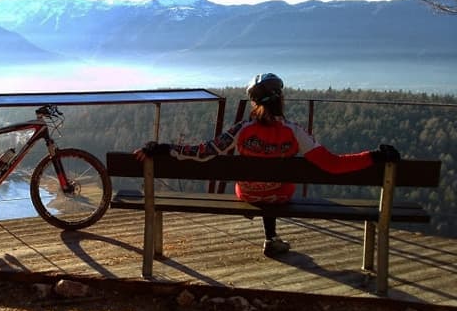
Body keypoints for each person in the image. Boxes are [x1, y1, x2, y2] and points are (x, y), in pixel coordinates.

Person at [135, 72, 400, 256]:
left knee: (257, 185)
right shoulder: (295, 132)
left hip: (247, 194)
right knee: (277, 187)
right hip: (280, 196)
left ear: (253, 102)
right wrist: (374, 156)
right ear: (281, 99)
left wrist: (165, 148)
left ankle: (271, 238)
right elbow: (333, 165)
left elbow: (204, 152)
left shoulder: (242, 129)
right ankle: (271, 239)